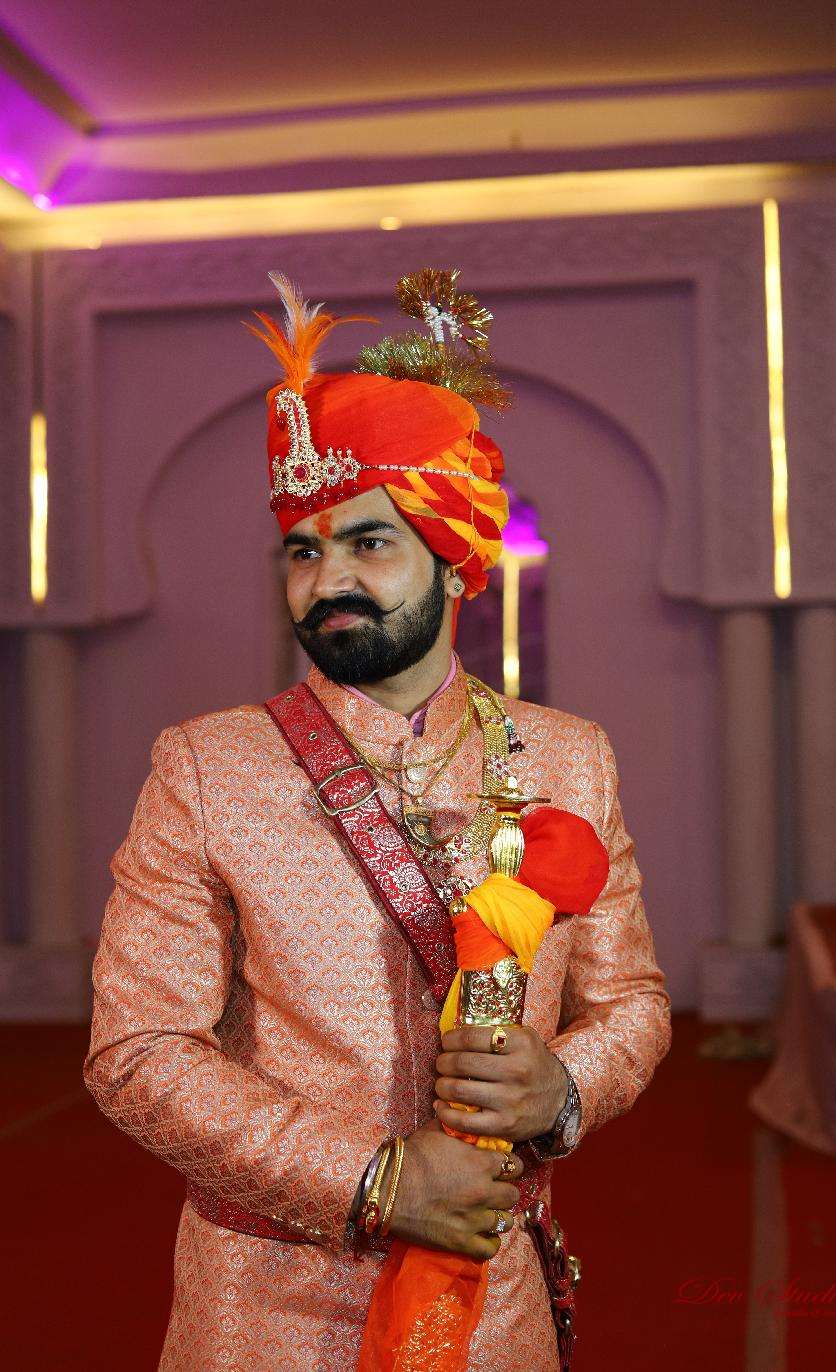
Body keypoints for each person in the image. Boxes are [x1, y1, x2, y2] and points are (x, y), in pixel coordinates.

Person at [84, 268, 672, 1371]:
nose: (326, 582)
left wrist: (564, 1087)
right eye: (303, 551)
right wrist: (376, 1178)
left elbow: (630, 1005)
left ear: (453, 560)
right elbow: (136, 1053)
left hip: (490, 1293)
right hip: (265, 1303)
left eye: (368, 543)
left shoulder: (567, 755)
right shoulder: (206, 765)